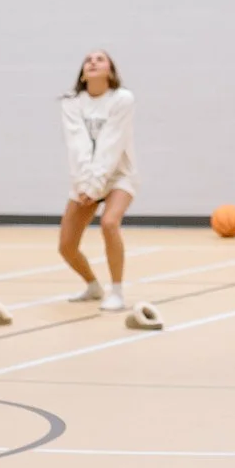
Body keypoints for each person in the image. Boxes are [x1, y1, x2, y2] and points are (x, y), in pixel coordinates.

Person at [58, 50, 140, 313]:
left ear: (111, 71)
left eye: (100, 59)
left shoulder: (122, 99)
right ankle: (93, 286)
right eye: (88, 59)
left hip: (118, 173)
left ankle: (116, 292)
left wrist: (96, 186)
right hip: (85, 177)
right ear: (83, 73)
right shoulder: (72, 102)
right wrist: (85, 186)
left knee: (109, 223)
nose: (93, 61)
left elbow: (111, 145)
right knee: (66, 246)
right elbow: (77, 145)